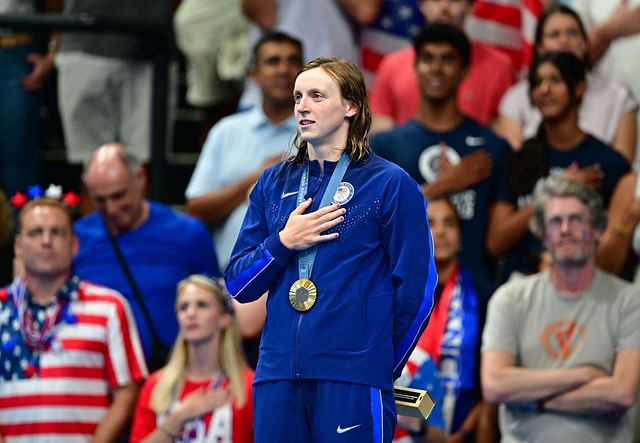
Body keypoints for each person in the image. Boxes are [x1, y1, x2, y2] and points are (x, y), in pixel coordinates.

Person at [225, 57, 437, 442]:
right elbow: (239, 283)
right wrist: (283, 243)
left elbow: (417, 292)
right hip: (277, 375)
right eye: (298, 96)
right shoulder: (273, 184)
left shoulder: (390, 185)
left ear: (351, 106)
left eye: (317, 96)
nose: (302, 106)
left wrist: (378, 365)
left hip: (354, 376)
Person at [481, 176, 640, 442]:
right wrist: (586, 375)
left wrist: (534, 400)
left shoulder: (629, 300)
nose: (566, 229)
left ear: (599, 230)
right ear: (544, 237)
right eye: (555, 222)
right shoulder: (509, 299)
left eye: (577, 219)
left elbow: (622, 392)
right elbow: (495, 386)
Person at [371, 23, 510, 302]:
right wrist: (441, 187)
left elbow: (498, 243)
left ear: (465, 71)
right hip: (399, 299)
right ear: (415, 68)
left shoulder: (492, 149)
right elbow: (371, 228)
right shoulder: (384, 147)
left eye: (447, 59)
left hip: (473, 301)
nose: (436, 68)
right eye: (427, 59)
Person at [0, 197, 147, 442]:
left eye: (57, 232)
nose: (46, 241)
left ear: (74, 244)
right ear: (17, 246)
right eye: (36, 232)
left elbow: (127, 392)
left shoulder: (110, 306)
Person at [73, 144, 219, 369]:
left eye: (118, 195)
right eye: (100, 200)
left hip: (172, 374)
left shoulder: (187, 234)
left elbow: (214, 307)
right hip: (98, 375)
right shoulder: (76, 239)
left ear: (140, 177)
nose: (111, 209)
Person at [487, 51, 630, 279]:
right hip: (522, 285)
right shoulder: (520, 158)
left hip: (584, 288)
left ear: (579, 88)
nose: (545, 89)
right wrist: (557, 189)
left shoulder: (608, 163)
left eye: (555, 80)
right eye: (538, 82)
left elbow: (618, 250)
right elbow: (496, 242)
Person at [186, 31, 303, 270]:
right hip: (232, 274)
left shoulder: (320, 134)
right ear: (254, 75)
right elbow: (195, 211)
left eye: (292, 61)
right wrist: (258, 177)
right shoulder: (226, 131)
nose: (283, 70)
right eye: (273, 61)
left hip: (299, 275)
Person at [394, 198, 496, 443]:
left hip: (462, 430)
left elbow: (488, 384)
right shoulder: (393, 293)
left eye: (449, 223)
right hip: (400, 427)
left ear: (461, 237)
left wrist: (460, 434)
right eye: (430, 223)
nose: (440, 231)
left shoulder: (485, 297)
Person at [494, 3, 638, 162]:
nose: (564, 40)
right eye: (554, 34)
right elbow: (511, 167)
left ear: (585, 43)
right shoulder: (516, 97)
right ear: (540, 46)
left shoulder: (618, 95)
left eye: (573, 33)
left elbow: (622, 171)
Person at [130, 275, 254, 443]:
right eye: (183, 307)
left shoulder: (248, 387)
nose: (190, 313)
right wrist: (177, 419)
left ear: (224, 318)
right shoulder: (156, 385)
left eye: (202, 305)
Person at [369, 0, 516, 133]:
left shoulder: (500, 66)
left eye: (454, 1)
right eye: (436, 0)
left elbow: (503, 134)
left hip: (476, 160)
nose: (444, 7)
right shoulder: (393, 64)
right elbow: (380, 134)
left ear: (471, 7)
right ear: (422, 5)